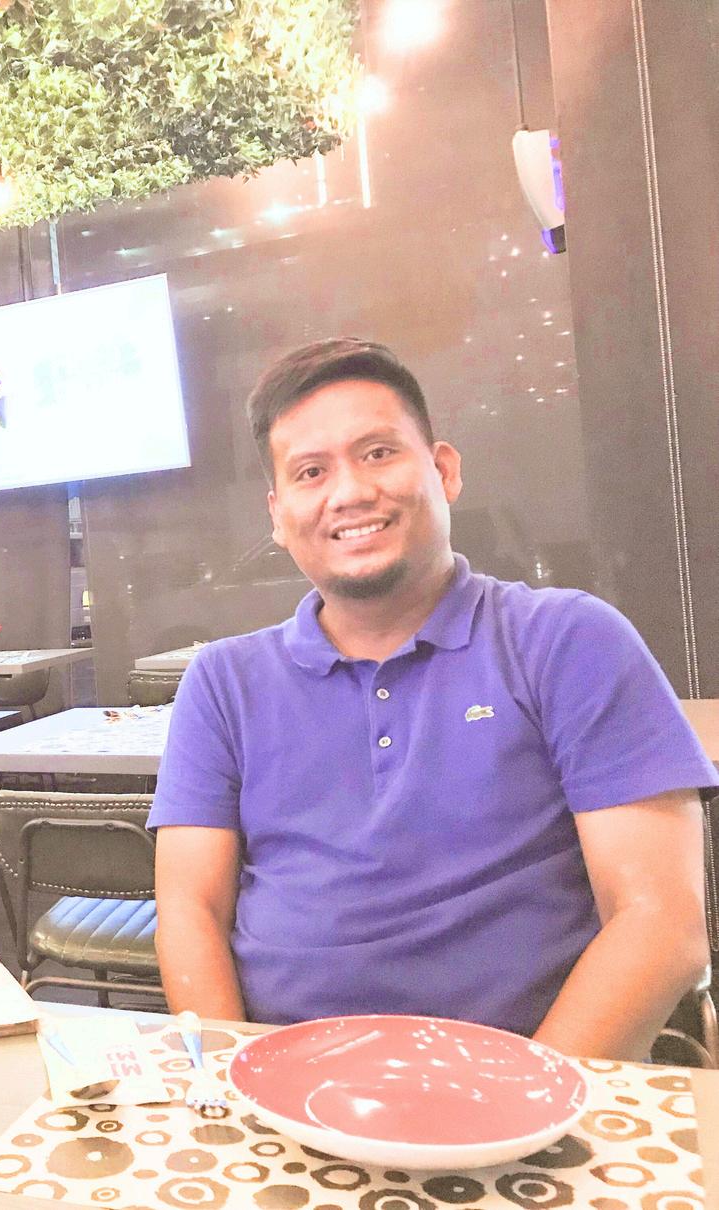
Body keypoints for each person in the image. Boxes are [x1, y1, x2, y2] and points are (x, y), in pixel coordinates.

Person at [149, 338, 715, 1060]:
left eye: (378, 453)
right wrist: (227, 1078)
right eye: (310, 472)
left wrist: (517, 1099)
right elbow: (190, 909)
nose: (349, 492)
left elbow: (660, 923)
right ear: (278, 514)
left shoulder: (565, 639)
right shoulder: (222, 682)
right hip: (286, 1077)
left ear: (443, 470)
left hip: (530, 1076)